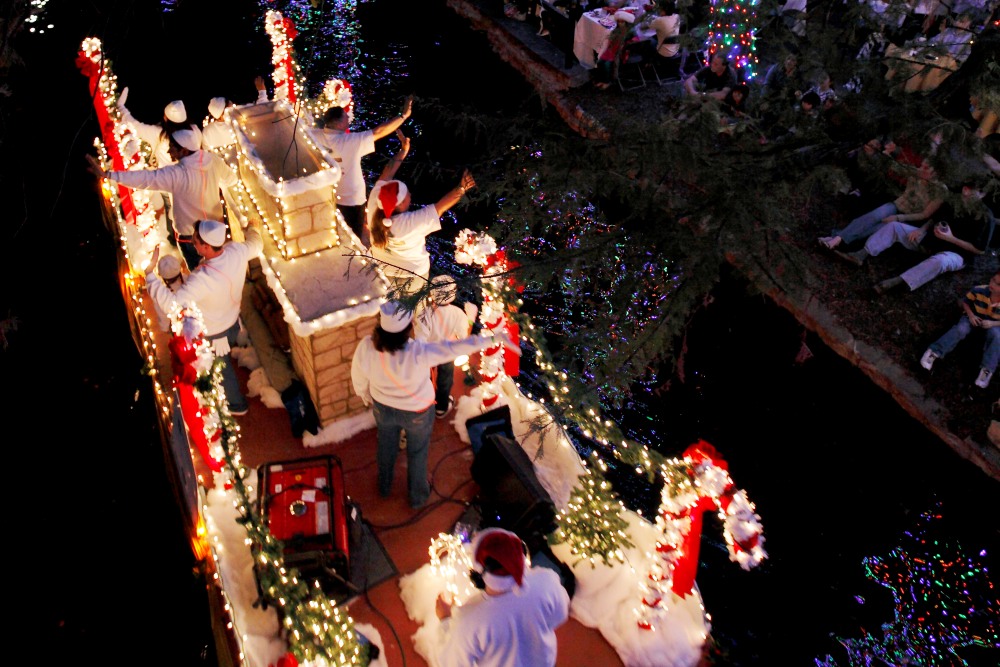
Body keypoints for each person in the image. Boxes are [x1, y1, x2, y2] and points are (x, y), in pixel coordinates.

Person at [350, 301, 520, 508]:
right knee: (417, 452)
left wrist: (366, 396)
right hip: (417, 411)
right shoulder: (418, 351)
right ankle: (417, 497)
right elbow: (454, 347)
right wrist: (494, 338)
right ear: (407, 329)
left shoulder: (367, 346)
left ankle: (384, 486)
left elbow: (358, 377)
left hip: (383, 408)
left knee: (386, 446)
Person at [146, 219, 264, 415]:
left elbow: (172, 305)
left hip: (216, 332)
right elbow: (256, 244)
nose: (193, 243)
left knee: (223, 369)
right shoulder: (236, 251)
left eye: (196, 241)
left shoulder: (202, 279)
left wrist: (150, 275)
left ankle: (237, 405)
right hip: (233, 320)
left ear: (207, 247)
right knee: (224, 360)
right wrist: (253, 228)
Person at [88, 125, 240, 270]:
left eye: (172, 147)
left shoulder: (176, 174)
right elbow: (231, 179)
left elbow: (145, 178)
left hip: (192, 238)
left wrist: (109, 175)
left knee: (200, 276)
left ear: (185, 150)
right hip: (216, 232)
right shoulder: (213, 160)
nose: (168, 151)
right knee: (219, 269)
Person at [435, 527, 571, 667]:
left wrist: (445, 620)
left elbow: (451, 662)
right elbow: (560, 615)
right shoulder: (546, 581)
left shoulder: (469, 619)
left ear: (478, 574)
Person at [366, 148, 475, 297]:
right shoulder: (412, 223)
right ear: (400, 204)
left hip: (381, 270)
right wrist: (462, 187)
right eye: (407, 195)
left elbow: (387, 172)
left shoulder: (374, 203)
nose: (410, 194)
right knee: (410, 310)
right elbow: (441, 207)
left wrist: (402, 151)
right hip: (413, 276)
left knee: (387, 305)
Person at [857, 183, 995, 294]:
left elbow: (980, 250)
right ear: (966, 190)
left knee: (940, 261)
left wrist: (951, 239)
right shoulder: (953, 201)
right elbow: (934, 218)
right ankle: (861, 254)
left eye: (983, 193)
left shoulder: (986, 217)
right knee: (894, 226)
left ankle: (895, 282)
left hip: (958, 254)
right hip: (931, 241)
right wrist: (921, 230)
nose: (981, 196)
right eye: (979, 191)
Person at [314, 94, 414, 240]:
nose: (349, 119)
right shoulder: (351, 141)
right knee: (352, 237)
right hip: (351, 201)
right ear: (339, 122)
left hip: (324, 195)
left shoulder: (312, 135)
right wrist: (404, 116)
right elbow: (379, 131)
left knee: (331, 230)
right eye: (346, 117)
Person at [818, 157, 945, 252]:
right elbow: (893, 165)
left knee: (875, 228)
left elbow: (925, 214)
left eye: (926, 168)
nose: (922, 169)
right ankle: (837, 239)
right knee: (873, 216)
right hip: (896, 205)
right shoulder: (915, 173)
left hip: (908, 218)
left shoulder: (940, 191)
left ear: (936, 173)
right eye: (922, 166)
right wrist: (887, 154)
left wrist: (898, 218)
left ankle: (837, 239)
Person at [920, 271, 1000, 391]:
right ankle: (934, 351)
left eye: (998, 284)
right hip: (973, 316)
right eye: (993, 279)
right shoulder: (979, 290)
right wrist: (971, 315)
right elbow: (965, 302)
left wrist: (993, 323)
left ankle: (987, 370)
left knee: (997, 337)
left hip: (993, 324)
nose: (992, 283)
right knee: (961, 329)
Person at [415, 274, 477, 419]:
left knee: (426, 378)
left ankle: (426, 403)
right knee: (445, 378)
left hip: (429, 354)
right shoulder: (458, 314)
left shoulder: (425, 314)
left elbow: (420, 339)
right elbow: (463, 337)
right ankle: (441, 407)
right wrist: (470, 319)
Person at [116, 88, 188, 168]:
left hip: (161, 176)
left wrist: (121, 107)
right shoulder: (192, 135)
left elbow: (136, 126)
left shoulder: (159, 133)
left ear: (166, 118)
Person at [201, 76, 271, 150]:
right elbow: (262, 111)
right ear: (222, 113)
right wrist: (262, 91)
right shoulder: (239, 121)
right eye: (228, 102)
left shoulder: (207, 131)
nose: (232, 103)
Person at [594, 10, 638, 90]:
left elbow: (636, 38)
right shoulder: (615, 29)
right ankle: (602, 79)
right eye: (619, 22)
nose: (620, 23)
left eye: (622, 22)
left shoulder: (630, 31)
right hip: (611, 49)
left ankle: (607, 81)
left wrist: (627, 43)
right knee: (600, 62)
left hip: (620, 52)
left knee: (607, 64)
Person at [151, 253, 186, 333]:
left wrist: (165, 328)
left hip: (180, 331)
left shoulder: (161, 294)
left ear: (160, 274)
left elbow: (163, 316)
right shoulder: (189, 280)